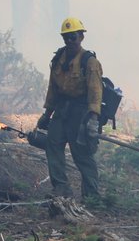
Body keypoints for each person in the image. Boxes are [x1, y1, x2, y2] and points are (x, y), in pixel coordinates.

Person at [35, 17, 102, 202]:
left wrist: (93, 121)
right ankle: (61, 188)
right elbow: (52, 89)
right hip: (61, 111)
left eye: (73, 37)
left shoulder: (90, 62)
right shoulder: (58, 59)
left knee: (81, 155)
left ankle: (92, 196)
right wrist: (46, 115)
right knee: (53, 145)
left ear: (81, 36)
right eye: (66, 38)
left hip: (80, 114)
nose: (69, 41)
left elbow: (95, 93)